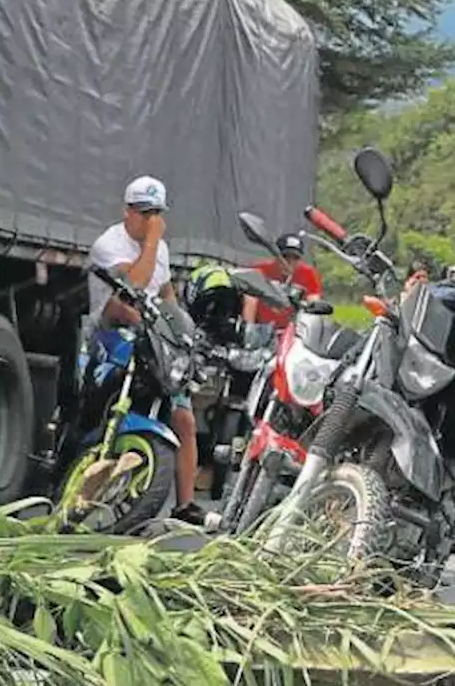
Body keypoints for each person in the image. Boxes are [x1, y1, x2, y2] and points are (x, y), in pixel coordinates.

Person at [87, 176, 218, 528]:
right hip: (112, 335)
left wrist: (183, 333)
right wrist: (153, 239)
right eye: (145, 213)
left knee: (185, 418)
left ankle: (186, 504)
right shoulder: (109, 244)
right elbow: (131, 288)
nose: (151, 220)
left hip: (151, 339)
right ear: (128, 211)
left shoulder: (159, 250)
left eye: (157, 213)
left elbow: (165, 294)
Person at [244, 232, 322, 330]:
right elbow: (250, 302)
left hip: (293, 333)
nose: (290, 262)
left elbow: (313, 304)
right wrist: (249, 330)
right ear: (276, 255)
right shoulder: (259, 270)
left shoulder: (308, 274)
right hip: (261, 332)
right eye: (285, 256)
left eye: (295, 258)